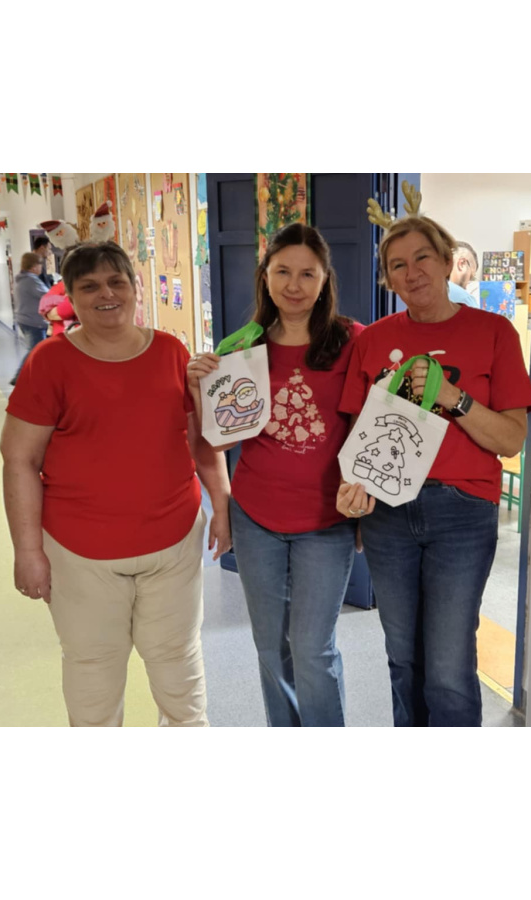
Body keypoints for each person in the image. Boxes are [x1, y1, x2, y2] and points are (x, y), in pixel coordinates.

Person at [0, 241, 231, 727]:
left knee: (179, 665)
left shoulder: (170, 352)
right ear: (71, 298)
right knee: (93, 673)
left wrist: (222, 502)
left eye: (116, 282)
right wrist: (28, 551)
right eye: (89, 287)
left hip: (172, 543)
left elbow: (201, 440)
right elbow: (19, 458)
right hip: (81, 553)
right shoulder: (50, 361)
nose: (106, 294)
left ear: (135, 287)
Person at [338, 215, 531, 727]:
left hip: (462, 513)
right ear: (388, 278)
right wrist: (352, 492)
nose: (412, 273)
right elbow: (357, 437)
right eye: (397, 265)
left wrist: (453, 397)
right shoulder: (372, 341)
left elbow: (511, 438)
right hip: (387, 514)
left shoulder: (493, 333)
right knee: (403, 656)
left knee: (448, 667)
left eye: (422, 258)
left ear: (449, 261)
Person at [187, 223, 364, 727]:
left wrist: (366, 506)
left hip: (325, 521)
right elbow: (219, 441)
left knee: (313, 649)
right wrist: (200, 388)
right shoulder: (242, 347)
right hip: (256, 519)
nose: (294, 285)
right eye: (283, 271)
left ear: (325, 279)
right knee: (270, 647)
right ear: (265, 276)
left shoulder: (353, 341)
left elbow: (370, 426)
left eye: (308, 274)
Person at [10, 252, 49, 385]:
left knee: (36, 349)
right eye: (40, 265)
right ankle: (20, 376)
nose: (41, 268)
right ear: (34, 267)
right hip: (34, 321)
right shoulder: (32, 280)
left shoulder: (20, 279)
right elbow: (47, 295)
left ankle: (34, 375)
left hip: (24, 319)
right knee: (35, 350)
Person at [449, 240, 481, 307]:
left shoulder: (429, 290)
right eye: (470, 278)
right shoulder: (464, 300)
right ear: (462, 264)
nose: (466, 287)